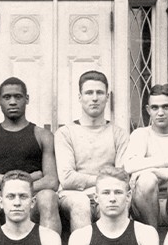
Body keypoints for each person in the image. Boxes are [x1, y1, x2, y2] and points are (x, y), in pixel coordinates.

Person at [0, 77, 61, 237]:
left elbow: (51, 180)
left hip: (32, 198)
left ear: (26, 99)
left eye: (18, 97)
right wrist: (27, 179)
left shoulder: (42, 135)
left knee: (48, 197)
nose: (12, 102)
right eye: (7, 97)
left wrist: (20, 190)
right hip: (0, 198)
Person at [54, 71, 129, 231]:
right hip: (72, 196)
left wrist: (104, 186)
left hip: (107, 192)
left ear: (107, 97)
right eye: (89, 93)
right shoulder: (65, 133)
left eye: (100, 93)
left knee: (114, 199)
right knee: (81, 203)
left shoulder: (119, 134)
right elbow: (67, 178)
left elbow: (122, 176)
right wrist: (104, 180)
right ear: (80, 97)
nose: (94, 98)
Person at [123, 84, 168, 227]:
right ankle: (152, 234)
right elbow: (130, 165)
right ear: (148, 110)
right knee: (146, 180)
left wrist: (153, 170)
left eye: (166, 107)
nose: (160, 113)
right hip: (144, 205)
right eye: (155, 107)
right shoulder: (140, 135)